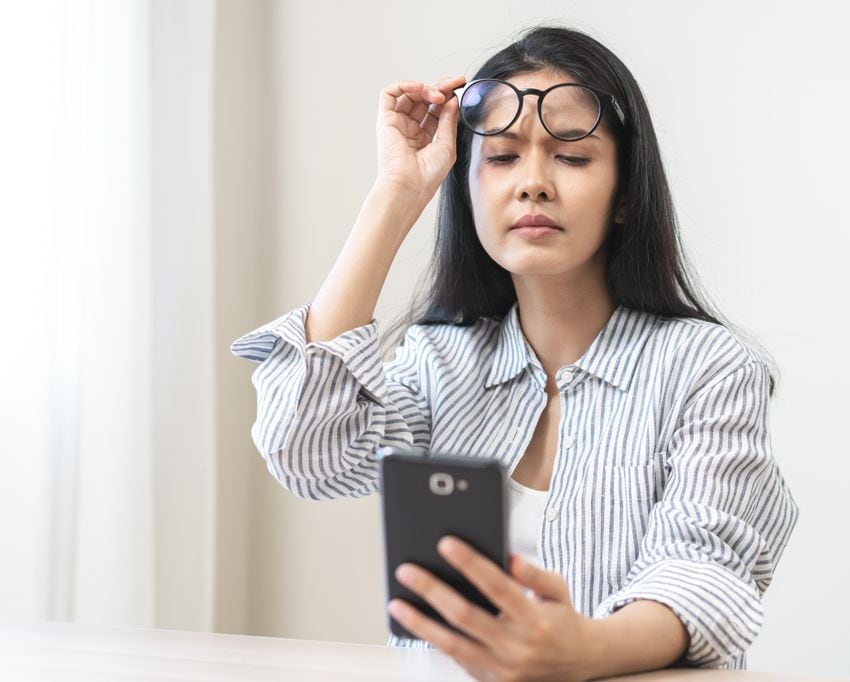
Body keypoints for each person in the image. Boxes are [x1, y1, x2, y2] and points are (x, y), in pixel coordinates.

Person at [230, 24, 799, 680]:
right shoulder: (439, 363)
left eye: (572, 157)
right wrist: (397, 193)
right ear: (468, 186)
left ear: (623, 196)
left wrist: (579, 651)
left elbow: (707, 575)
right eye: (500, 157)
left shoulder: (708, 367)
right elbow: (306, 451)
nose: (532, 182)